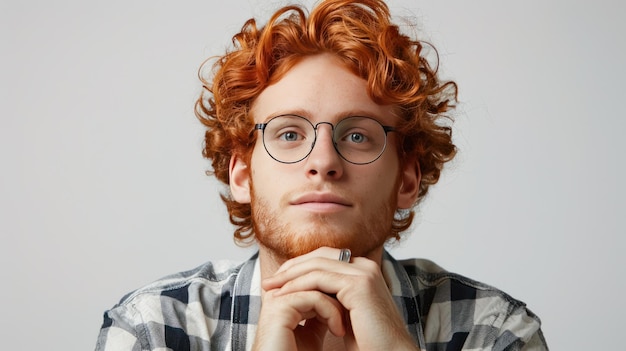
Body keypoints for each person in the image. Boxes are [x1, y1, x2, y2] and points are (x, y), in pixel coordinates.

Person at [95, 0, 548, 350]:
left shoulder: (490, 331)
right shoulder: (155, 328)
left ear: (407, 179)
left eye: (358, 137)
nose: (323, 161)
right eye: (289, 134)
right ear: (242, 176)